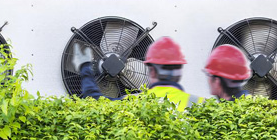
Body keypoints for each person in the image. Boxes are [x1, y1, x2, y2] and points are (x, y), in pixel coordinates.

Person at [72, 36, 205, 111]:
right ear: (180, 71)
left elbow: (95, 102)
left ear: (151, 70)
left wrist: (85, 67)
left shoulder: (134, 102)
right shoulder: (202, 104)